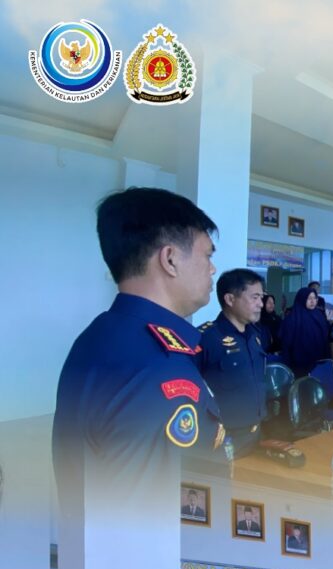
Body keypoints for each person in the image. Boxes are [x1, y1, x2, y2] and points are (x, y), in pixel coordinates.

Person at [52, 187, 224, 493]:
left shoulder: (103, 334)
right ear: (170, 259)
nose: (213, 268)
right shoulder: (159, 369)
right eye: (207, 255)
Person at [197, 269, 268, 458]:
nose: (261, 304)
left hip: (257, 431)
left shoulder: (254, 335)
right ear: (230, 299)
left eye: (261, 298)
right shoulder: (207, 338)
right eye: (254, 297)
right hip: (225, 438)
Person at [279, 286, 331, 377]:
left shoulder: (319, 314)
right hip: (299, 362)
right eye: (309, 298)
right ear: (302, 299)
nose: (313, 301)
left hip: (319, 360)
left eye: (314, 298)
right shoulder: (293, 317)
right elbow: (286, 341)